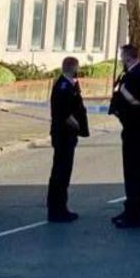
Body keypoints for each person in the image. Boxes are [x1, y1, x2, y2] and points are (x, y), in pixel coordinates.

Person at [108, 44, 140, 229]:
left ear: (129, 58)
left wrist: (122, 92)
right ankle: (129, 209)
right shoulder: (130, 74)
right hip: (130, 129)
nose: (121, 60)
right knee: (130, 173)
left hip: (139, 130)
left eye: (122, 57)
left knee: (136, 174)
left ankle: (135, 216)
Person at [47, 56, 88, 223]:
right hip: (64, 135)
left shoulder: (69, 84)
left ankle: (60, 208)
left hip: (65, 135)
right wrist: (77, 126)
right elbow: (64, 113)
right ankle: (57, 210)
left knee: (63, 172)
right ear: (74, 68)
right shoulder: (63, 86)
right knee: (61, 173)